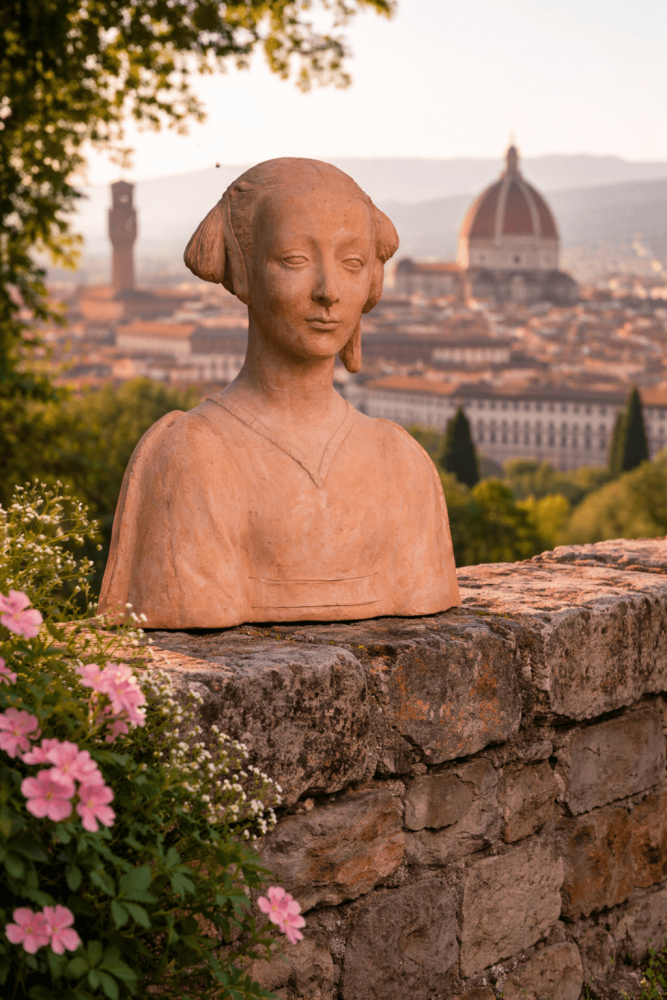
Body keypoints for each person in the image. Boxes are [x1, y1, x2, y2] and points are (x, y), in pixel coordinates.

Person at [99, 158, 460, 628]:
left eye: (352, 264)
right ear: (245, 271)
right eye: (295, 260)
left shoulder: (402, 464)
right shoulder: (191, 457)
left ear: (371, 281)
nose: (329, 290)